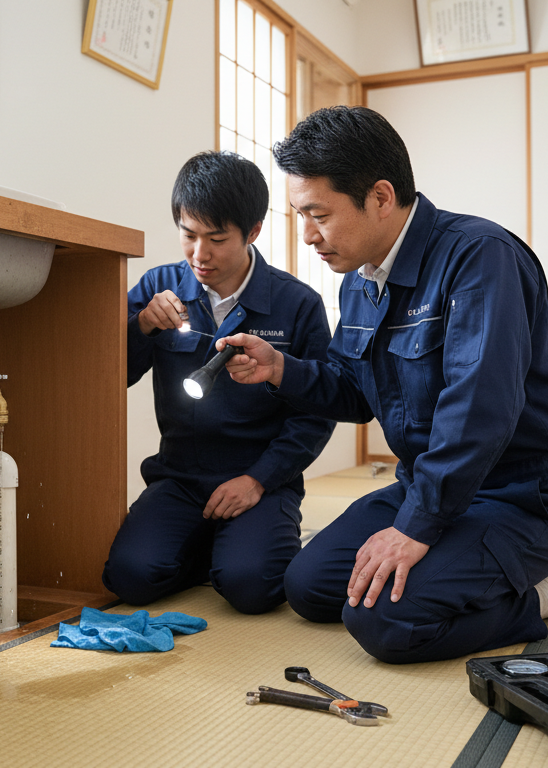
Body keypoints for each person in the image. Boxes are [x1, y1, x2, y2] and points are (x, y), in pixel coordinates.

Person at [221, 106, 548, 663]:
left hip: (522, 497)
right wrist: (281, 368)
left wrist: (416, 528)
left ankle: (539, 596)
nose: (307, 237)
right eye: (299, 216)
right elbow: (357, 390)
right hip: (430, 485)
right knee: (310, 587)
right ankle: (469, 565)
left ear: (379, 196)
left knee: (384, 619)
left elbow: (479, 409)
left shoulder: (479, 257)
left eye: (317, 214)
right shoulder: (359, 281)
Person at [103, 151, 336, 615]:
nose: (199, 254)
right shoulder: (158, 287)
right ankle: (212, 548)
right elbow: (111, 378)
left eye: (216, 238)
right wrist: (141, 328)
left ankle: (236, 550)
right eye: (188, 235)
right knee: (129, 578)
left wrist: (258, 480)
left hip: (260, 480)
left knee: (253, 588)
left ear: (252, 232)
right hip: (179, 477)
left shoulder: (297, 304)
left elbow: (317, 411)